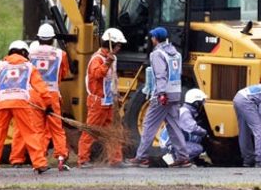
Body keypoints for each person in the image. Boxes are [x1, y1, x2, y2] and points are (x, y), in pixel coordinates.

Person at [0, 40, 54, 175]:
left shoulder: (0, 67)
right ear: (23, 52)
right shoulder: (28, 66)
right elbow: (40, 87)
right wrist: (48, 104)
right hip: (20, 103)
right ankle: (39, 163)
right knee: (30, 133)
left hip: (3, 102)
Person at [127, 27, 192, 168]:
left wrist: (161, 93)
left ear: (155, 38)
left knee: (149, 124)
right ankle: (183, 157)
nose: (151, 39)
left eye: (152, 37)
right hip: (175, 93)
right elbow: (178, 73)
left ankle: (141, 157)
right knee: (174, 126)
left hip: (163, 95)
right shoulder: (176, 54)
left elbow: (160, 75)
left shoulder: (157, 54)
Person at [10, 24, 71, 170]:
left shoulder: (30, 53)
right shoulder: (60, 54)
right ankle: (61, 156)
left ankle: (32, 159)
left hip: (34, 94)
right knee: (56, 127)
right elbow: (63, 73)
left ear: (38, 38)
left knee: (35, 129)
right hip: (52, 93)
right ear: (52, 39)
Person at [77, 28, 127, 168]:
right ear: (110, 44)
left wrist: (117, 95)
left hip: (109, 102)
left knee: (112, 131)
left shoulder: (112, 59)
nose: (119, 48)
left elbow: (113, 80)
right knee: (90, 131)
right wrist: (107, 63)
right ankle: (83, 159)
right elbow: (97, 75)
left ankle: (115, 159)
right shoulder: (97, 59)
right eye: (118, 45)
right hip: (97, 103)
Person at [164, 88, 209, 164]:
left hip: (172, 142)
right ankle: (174, 157)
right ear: (196, 103)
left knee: (198, 139)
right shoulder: (185, 112)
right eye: (201, 102)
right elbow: (193, 128)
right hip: (170, 144)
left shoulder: (185, 110)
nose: (202, 105)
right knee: (198, 148)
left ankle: (182, 157)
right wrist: (206, 133)